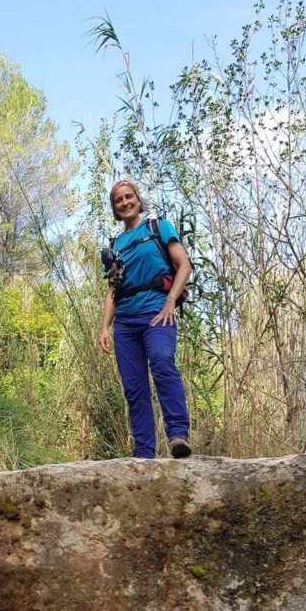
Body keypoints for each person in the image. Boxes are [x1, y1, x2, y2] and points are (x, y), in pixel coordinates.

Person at [98, 179, 192, 459]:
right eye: (119, 200)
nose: (125, 203)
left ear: (138, 200)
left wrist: (170, 302)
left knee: (163, 362)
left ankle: (177, 436)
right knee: (134, 387)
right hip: (125, 322)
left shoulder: (158, 227)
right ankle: (144, 453)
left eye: (129, 197)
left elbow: (184, 265)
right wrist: (105, 326)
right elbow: (113, 289)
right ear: (114, 208)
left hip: (157, 312)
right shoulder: (116, 244)